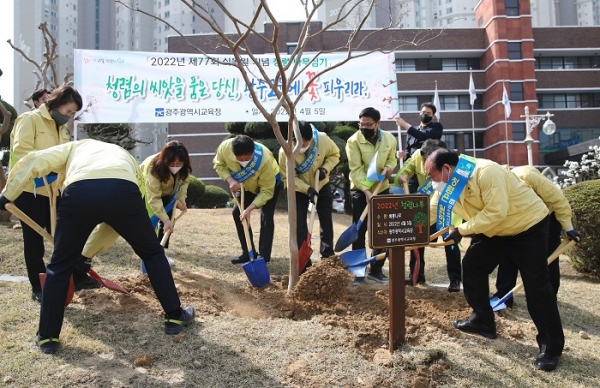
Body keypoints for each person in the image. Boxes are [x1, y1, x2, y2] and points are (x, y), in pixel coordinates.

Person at [0, 139, 195, 354]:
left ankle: (47, 338)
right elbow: (138, 189)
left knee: (60, 265)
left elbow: (34, 160)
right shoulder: (123, 154)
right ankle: (175, 317)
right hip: (123, 190)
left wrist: (7, 195)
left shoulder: (74, 146)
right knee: (152, 253)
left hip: (79, 191)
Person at [425, 149, 571, 372]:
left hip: (526, 227)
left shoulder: (486, 172)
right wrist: (409, 228)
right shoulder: (449, 186)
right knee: (473, 266)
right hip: (495, 231)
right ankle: (483, 320)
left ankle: (551, 348)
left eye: (431, 175)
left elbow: (496, 212)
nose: (430, 181)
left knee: (537, 285)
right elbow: (432, 210)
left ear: (447, 169)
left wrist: (461, 230)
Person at [9, 85, 98, 302]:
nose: (68, 117)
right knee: (34, 241)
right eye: (67, 111)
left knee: (65, 235)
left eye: (72, 114)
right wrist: (48, 167)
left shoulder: (63, 130)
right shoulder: (29, 120)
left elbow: (66, 157)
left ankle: (75, 276)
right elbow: (22, 154)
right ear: (55, 103)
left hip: (54, 191)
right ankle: (38, 286)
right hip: (30, 190)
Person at [76, 141, 192, 270]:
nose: (175, 167)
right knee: (116, 228)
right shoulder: (154, 168)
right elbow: (153, 198)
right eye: (172, 164)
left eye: (179, 164)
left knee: (157, 235)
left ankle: (155, 263)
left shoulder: (184, 167)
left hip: (166, 196)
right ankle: (83, 258)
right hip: (140, 196)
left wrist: (181, 199)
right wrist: (165, 219)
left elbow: (184, 181)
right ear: (165, 161)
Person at [493, 165, 581, 307]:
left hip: (547, 216)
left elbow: (558, 200)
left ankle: (549, 297)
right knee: (508, 252)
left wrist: (568, 228)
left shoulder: (528, 176)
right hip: (519, 218)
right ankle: (503, 295)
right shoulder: (496, 187)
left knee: (547, 256)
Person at [393, 139, 462, 292]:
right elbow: (405, 170)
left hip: (447, 207)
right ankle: (416, 275)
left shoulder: (450, 161)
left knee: (450, 243)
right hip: (425, 208)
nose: (426, 161)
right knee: (417, 239)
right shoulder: (418, 155)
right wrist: (402, 176)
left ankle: (455, 280)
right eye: (424, 158)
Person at [278, 121, 340, 270]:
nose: (303, 145)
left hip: (322, 184)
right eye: (299, 142)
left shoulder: (323, 139)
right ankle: (304, 262)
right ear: (292, 139)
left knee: (326, 220)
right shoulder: (284, 152)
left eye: (307, 142)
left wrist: (325, 169)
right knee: (299, 223)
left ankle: (327, 256)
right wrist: (307, 189)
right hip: (299, 189)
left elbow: (335, 154)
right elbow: (288, 177)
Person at [346, 107, 397, 285]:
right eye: (361, 124)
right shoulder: (353, 141)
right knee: (359, 231)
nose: (364, 128)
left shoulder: (390, 139)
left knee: (381, 230)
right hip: (361, 190)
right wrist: (366, 190)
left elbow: (392, 159)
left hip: (381, 188)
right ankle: (359, 271)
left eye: (368, 124)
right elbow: (356, 170)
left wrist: (390, 168)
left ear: (378, 124)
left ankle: (376, 269)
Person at [213, 134, 282, 264]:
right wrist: (230, 180)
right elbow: (219, 165)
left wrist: (250, 209)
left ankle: (263, 257)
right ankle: (248, 252)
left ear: (253, 151)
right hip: (244, 185)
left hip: (270, 184)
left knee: (266, 217)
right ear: (233, 154)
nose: (244, 161)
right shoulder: (225, 148)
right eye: (240, 159)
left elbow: (266, 191)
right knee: (237, 213)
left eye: (248, 158)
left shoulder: (264, 158)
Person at [395, 102, 443, 193]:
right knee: (412, 198)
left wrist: (405, 125)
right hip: (413, 171)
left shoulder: (437, 127)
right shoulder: (412, 131)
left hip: (428, 169)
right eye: (423, 112)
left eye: (428, 113)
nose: (425, 115)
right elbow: (408, 151)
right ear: (419, 113)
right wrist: (403, 155)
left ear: (433, 116)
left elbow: (423, 136)